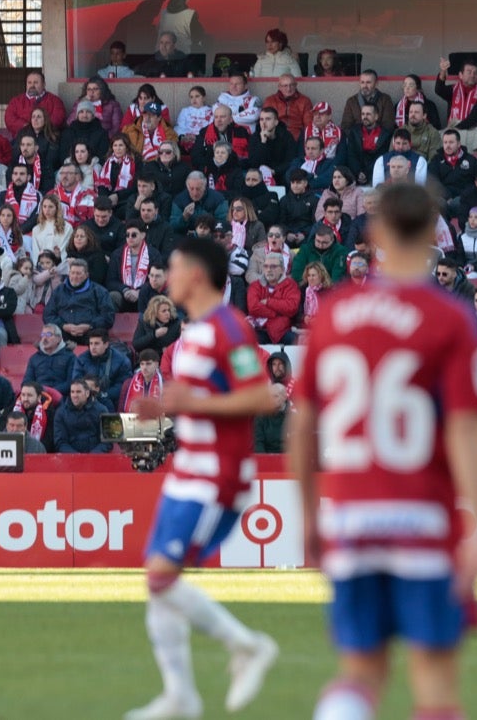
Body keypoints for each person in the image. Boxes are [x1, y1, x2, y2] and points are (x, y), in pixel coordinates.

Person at [289, 183, 477, 720]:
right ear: (432, 234)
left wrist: (308, 514)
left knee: (359, 671)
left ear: (375, 233)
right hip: (422, 517)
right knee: (432, 676)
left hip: (352, 515)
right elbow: (466, 427)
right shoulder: (450, 317)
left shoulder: (333, 314)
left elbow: (302, 423)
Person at [121, 234, 278, 720]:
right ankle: (180, 695)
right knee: (157, 579)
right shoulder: (192, 332)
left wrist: (191, 402)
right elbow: (193, 404)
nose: (166, 273)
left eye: (173, 263)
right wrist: (168, 411)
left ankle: (247, 645)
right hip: (186, 470)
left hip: (217, 475)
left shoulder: (231, 328)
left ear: (196, 274)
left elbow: (262, 397)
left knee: (163, 575)